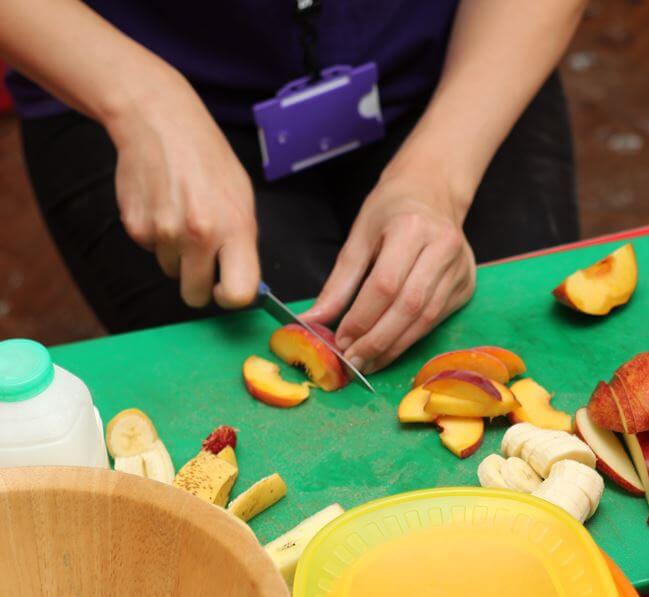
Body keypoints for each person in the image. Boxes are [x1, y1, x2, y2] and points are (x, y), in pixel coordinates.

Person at [0, 0, 584, 373]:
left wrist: (437, 181)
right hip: (116, 74)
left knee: (517, 362)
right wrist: (137, 100)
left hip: (462, 53)